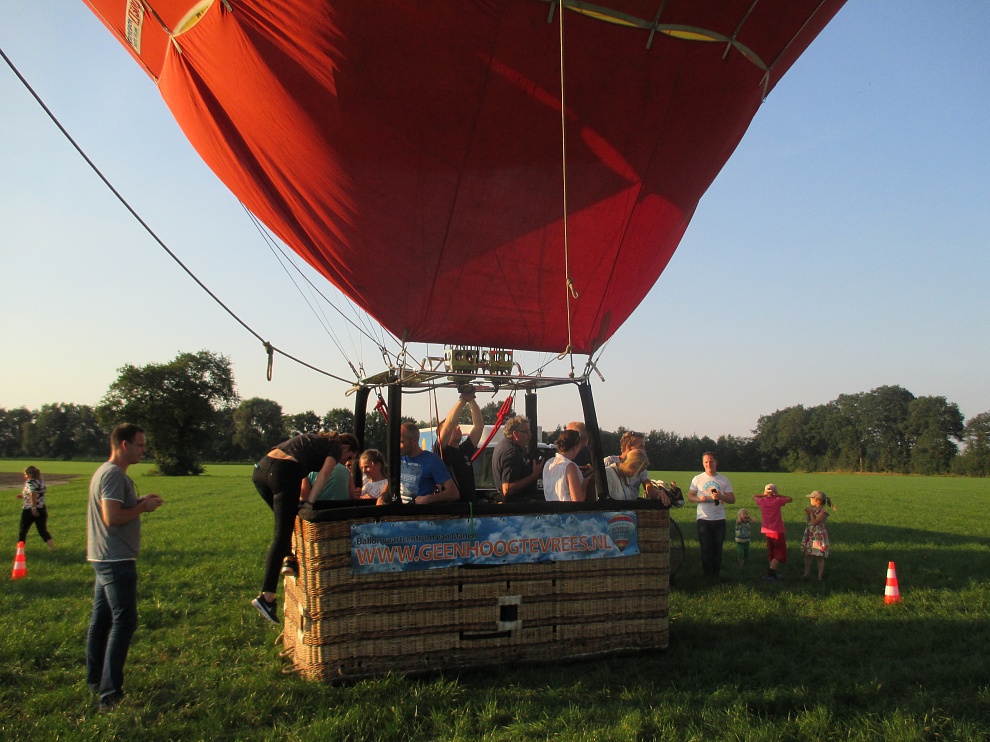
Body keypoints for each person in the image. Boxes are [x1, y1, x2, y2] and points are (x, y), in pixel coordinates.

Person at [86, 423, 163, 712]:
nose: (144, 450)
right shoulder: (113, 475)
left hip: (104, 556)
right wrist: (142, 508)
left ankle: (95, 681)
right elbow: (112, 517)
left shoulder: (105, 472)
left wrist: (140, 501)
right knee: (125, 622)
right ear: (123, 445)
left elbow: (117, 508)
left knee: (102, 621)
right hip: (116, 560)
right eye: (140, 445)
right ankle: (110, 695)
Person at [251, 431, 343, 624]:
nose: (343, 461)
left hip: (261, 469)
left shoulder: (311, 439)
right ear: (346, 447)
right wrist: (309, 503)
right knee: (282, 533)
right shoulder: (336, 447)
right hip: (283, 472)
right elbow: (324, 474)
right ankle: (267, 596)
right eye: (348, 457)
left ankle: (289, 558)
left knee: (285, 523)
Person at [687, 451, 735, 580]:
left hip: (719, 519)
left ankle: (716, 575)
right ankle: (707, 576)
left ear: (716, 462)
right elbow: (690, 496)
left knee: (717, 549)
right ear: (703, 464)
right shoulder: (697, 479)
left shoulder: (723, 479)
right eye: (706, 462)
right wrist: (698, 499)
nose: (709, 464)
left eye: (711, 461)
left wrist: (721, 496)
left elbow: (732, 499)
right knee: (706, 549)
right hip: (703, 519)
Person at [437, 386, 485, 501]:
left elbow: (479, 426)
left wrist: (472, 399)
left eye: (457, 425)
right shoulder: (442, 451)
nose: (458, 428)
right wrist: (463, 400)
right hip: (454, 507)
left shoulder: (464, 450)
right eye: (455, 427)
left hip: (470, 506)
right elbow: (448, 426)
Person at [399, 422, 459, 504]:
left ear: (414, 441)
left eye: (401, 442)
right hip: (398, 510)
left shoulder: (432, 460)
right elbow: (390, 483)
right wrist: (382, 496)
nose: (398, 446)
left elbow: (454, 493)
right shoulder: (398, 458)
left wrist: (428, 499)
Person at [604, 431, 670, 504]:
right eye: (641, 447)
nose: (644, 450)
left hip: (633, 506)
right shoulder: (608, 463)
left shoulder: (640, 467)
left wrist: (657, 493)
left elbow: (648, 486)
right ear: (628, 447)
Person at [491, 416, 542, 502]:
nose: (530, 435)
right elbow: (507, 489)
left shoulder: (501, 445)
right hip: (515, 505)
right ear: (515, 434)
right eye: (526, 432)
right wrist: (534, 475)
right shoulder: (512, 452)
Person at [754, 484, 792, 581]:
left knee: (771, 551)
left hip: (767, 530)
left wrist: (764, 494)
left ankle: (772, 573)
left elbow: (754, 496)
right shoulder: (777, 500)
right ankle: (770, 573)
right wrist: (778, 495)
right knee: (779, 552)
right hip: (777, 530)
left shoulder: (762, 501)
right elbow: (790, 499)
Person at [543, 430, 587, 502]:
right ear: (575, 447)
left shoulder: (548, 463)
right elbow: (578, 500)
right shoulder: (570, 467)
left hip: (551, 507)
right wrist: (586, 482)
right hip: (567, 508)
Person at [19, 465, 56, 551]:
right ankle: (53, 547)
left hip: (29, 509)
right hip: (42, 508)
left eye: (26, 474)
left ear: (30, 474)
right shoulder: (41, 482)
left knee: (23, 530)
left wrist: (33, 507)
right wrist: (23, 496)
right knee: (43, 530)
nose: (25, 476)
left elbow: (33, 493)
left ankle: (20, 550)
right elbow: (38, 493)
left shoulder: (30, 482)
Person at [802, 490, 836, 581]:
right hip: (811, 535)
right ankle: (806, 573)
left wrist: (811, 513)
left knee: (820, 556)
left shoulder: (823, 512)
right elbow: (809, 521)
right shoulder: (813, 510)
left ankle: (819, 576)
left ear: (818, 501)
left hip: (818, 536)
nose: (810, 500)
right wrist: (808, 514)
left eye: (811, 499)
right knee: (808, 555)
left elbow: (815, 522)